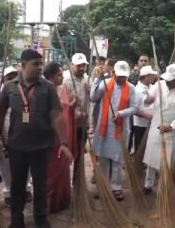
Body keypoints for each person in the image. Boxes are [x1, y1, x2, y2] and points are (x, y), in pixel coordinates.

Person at [0, 49, 73, 228]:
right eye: (35, 64)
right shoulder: (9, 87)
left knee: (40, 184)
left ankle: (40, 217)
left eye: (40, 64)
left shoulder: (48, 87)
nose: (39, 67)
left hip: (42, 145)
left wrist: (64, 143)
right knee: (18, 183)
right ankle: (16, 217)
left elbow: (56, 115)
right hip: (16, 146)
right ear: (23, 65)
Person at [90, 61, 137, 201]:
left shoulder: (131, 88)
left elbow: (134, 107)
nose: (122, 79)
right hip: (104, 127)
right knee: (103, 158)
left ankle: (116, 187)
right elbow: (93, 97)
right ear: (114, 73)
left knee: (117, 160)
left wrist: (121, 113)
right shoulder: (105, 83)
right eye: (120, 76)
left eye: (124, 76)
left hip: (120, 128)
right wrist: (98, 78)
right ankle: (103, 186)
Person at [143, 64, 175, 193]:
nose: (168, 82)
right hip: (156, 127)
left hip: (173, 132)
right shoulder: (159, 85)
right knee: (151, 159)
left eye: (171, 80)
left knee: (168, 163)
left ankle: (163, 189)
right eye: (167, 80)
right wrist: (148, 99)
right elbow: (147, 100)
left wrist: (171, 126)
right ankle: (148, 184)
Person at [0, 66, 33, 206]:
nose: (12, 79)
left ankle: (26, 188)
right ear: (3, 79)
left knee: (26, 162)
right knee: (5, 164)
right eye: (8, 77)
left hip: (24, 133)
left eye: (14, 76)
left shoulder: (25, 91)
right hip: (6, 133)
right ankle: (9, 192)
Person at [43, 62, 72, 213]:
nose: (62, 77)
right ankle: (50, 203)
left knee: (63, 166)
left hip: (64, 134)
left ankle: (62, 199)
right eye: (59, 75)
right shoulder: (44, 92)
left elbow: (68, 108)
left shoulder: (63, 89)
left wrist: (74, 105)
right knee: (51, 169)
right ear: (50, 77)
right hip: (51, 135)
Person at [62, 53, 91, 184]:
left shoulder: (87, 79)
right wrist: (76, 113)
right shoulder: (64, 79)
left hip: (82, 124)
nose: (81, 68)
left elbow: (90, 102)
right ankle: (64, 183)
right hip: (68, 123)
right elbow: (62, 104)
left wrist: (90, 91)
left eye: (84, 65)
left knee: (80, 153)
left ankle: (78, 181)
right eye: (79, 65)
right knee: (67, 153)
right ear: (71, 65)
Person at [132, 65, 157, 153]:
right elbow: (134, 109)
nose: (154, 77)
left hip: (151, 124)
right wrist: (147, 115)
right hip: (140, 125)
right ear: (146, 76)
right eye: (152, 75)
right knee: (140, 148)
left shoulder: (152, 87)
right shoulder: (137, 90)